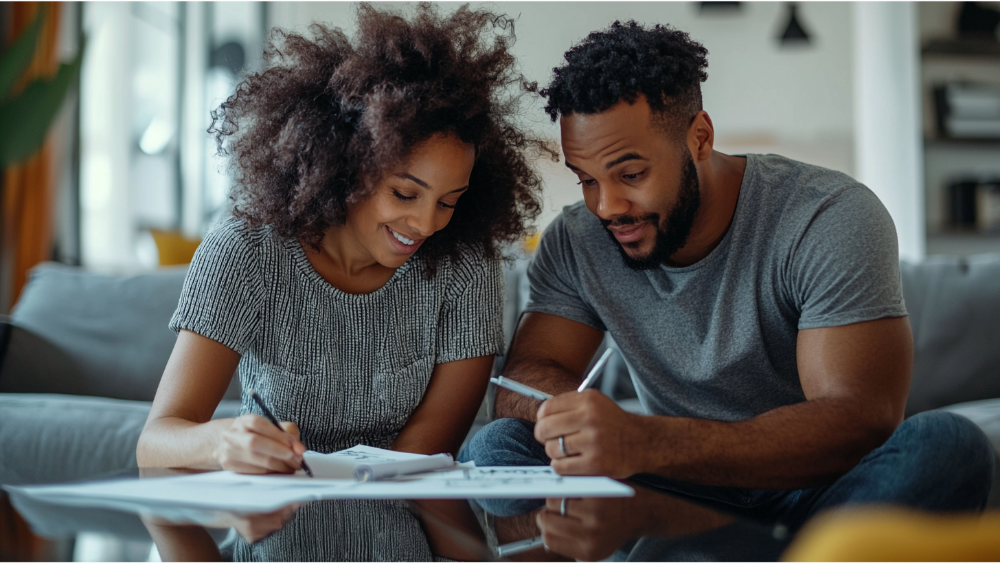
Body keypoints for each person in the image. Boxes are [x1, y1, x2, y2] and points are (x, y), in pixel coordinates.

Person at [462, 21, 995, 527]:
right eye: (585, 180)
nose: (607, 206)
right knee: (497, 445)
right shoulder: (578, 239)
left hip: (817, 488)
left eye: (630, 174)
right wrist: (575, 419)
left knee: (948, 446)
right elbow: (523, 379)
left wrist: (647, 441)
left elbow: (858, 419)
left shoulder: (828, 215)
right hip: (669, 487)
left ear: (699, 137)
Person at [136, 1, 548, 474]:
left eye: (449, 201)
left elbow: (424, 452)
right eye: (404, 193)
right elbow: (157, 439)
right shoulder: (246, 252)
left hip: (402, 531)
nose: (427, 223)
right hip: (274, 533)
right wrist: (223, 442)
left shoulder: (464, 263)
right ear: (347, 164)